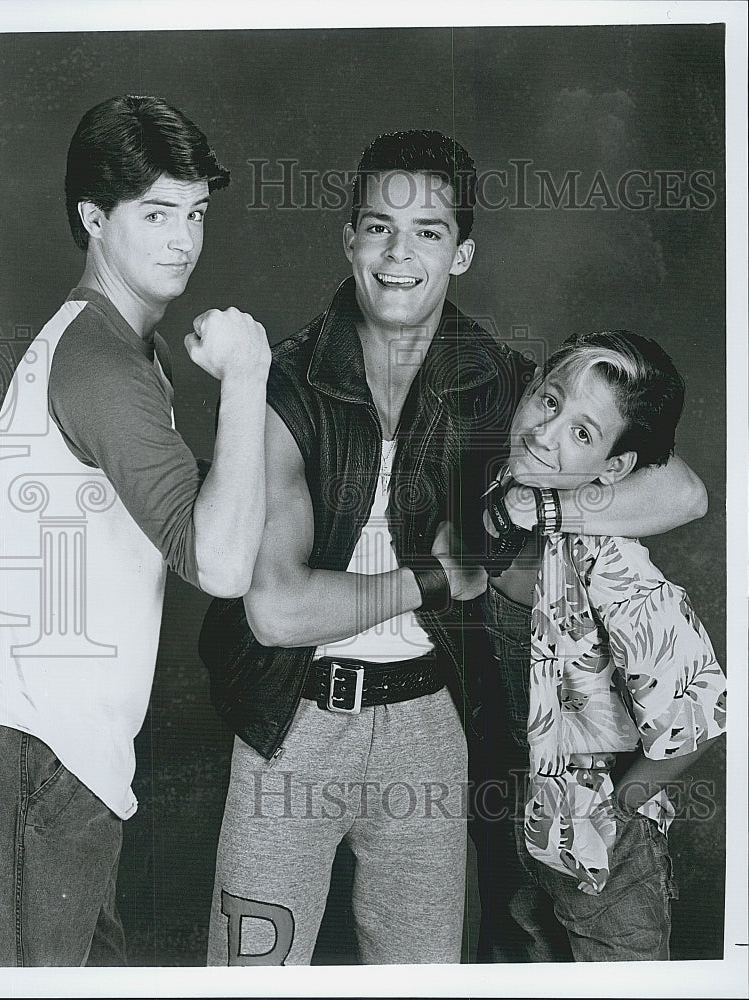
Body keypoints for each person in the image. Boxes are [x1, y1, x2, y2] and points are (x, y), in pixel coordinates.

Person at [198, 129, 708, 966]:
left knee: (422, 976)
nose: (399, 255)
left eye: (428, 232)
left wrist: (524, 510)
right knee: (251, 970)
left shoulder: (502, 380)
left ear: (461, 252)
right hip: (289, 717)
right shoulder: (284, 382)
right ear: (349, 238)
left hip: (431, 719)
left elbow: (681, 490)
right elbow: (277, 608)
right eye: (377, 228)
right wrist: (443, 575)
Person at [0, 95, 271, 967]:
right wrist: (248, 375)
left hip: (64, 753)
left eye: (195, 214)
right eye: (156, 214)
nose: (184, 239)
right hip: (46, 752)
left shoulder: (114, 346)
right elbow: (221, 563)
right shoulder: (100, 363)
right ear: (93, 217)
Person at [472, 330, 726, 962]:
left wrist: (613, 815)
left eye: (583, 433)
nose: (547, 432)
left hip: (601, 842)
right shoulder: (493, 498)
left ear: (612, 468)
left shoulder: (612, 563)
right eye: (548, 400)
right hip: (510, 818)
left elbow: (697, 719)